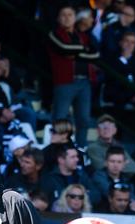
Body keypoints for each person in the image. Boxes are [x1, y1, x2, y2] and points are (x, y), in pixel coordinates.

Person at [48, 5, 99, 147]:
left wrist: (75, 53)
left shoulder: (83, 35)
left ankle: (81, 149)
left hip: (85, 82)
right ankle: (58, 148)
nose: (67, 18)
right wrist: (83, 51)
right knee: (60, 118)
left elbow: (95, 55)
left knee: (84, 119)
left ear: (75, 17)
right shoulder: (54, 33)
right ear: (58, 18)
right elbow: (64, 48)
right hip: (65, 82)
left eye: (70, 14)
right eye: (63, 15)